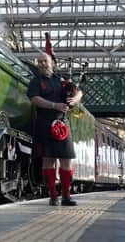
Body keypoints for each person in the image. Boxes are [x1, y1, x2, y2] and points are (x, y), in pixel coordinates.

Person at [27, 53, 83, 206]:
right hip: (44, 123)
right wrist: (54, 105)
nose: (42, 64)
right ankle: (53, 195)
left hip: (62, 123)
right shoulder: (35, 82)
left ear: (52, 63)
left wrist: (74, 100)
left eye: (45, 61)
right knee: (48, 160)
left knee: (66, 160)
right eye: (39, 62)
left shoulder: (61, 80)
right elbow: (34, 99)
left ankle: (66, 196)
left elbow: (79, 92)